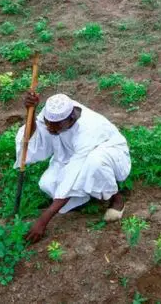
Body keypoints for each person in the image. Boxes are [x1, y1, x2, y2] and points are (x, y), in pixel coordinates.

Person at [14, 92, 131, 243]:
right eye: (47, 122)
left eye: (55, 127)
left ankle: (116, 198)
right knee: (47, 184)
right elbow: (36, 133)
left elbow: (73, 174)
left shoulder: (89, 129)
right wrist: (31, 110)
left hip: (108, 152)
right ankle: (88, 193)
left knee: (94, 163)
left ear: (70, 119)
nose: (49, 127)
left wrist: (43, 220)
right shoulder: (53, 112)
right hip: (70, 154)